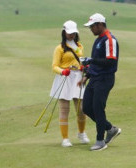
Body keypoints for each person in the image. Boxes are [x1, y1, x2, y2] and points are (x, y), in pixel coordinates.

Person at [79, 13, 121, 151]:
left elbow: (110, 61)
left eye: (92, 26)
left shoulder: (110, 40)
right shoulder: (98, 40)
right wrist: (87, 75)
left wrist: (91, 60)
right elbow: (96, 62)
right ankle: (110, 128)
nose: (91, 29)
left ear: (100, 25)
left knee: (98, 108)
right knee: (87, 108)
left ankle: (100, 141)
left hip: (105, 79)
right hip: (95, 77)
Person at [50, 20, 90, 147]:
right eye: (69, 33)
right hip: (64, 78)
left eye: (73, 33)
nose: (71, 35)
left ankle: (82, 133)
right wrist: (63, 71)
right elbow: (54, 66)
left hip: (78, 77)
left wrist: (84, 67)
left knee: (82, 109)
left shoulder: (79, 46)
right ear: (64, 33)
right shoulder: (59, 48)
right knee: (64, 109)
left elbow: (80, 60)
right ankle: (65, 138)